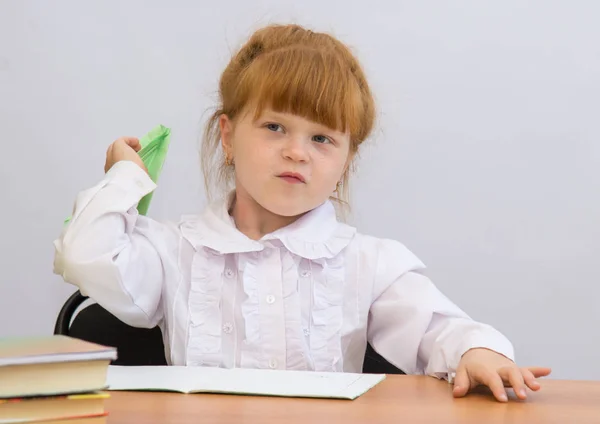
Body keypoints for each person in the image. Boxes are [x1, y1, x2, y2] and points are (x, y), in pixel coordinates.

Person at [53, 23, 550, 402]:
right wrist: (124, 178)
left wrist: (477, 350)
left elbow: (439, 328)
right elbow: (85, 255)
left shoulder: (369, 264)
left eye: (321, 138)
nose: (297, 153)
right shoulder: (173, 250)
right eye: (274, 127)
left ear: (345, 159)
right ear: (227, 135)